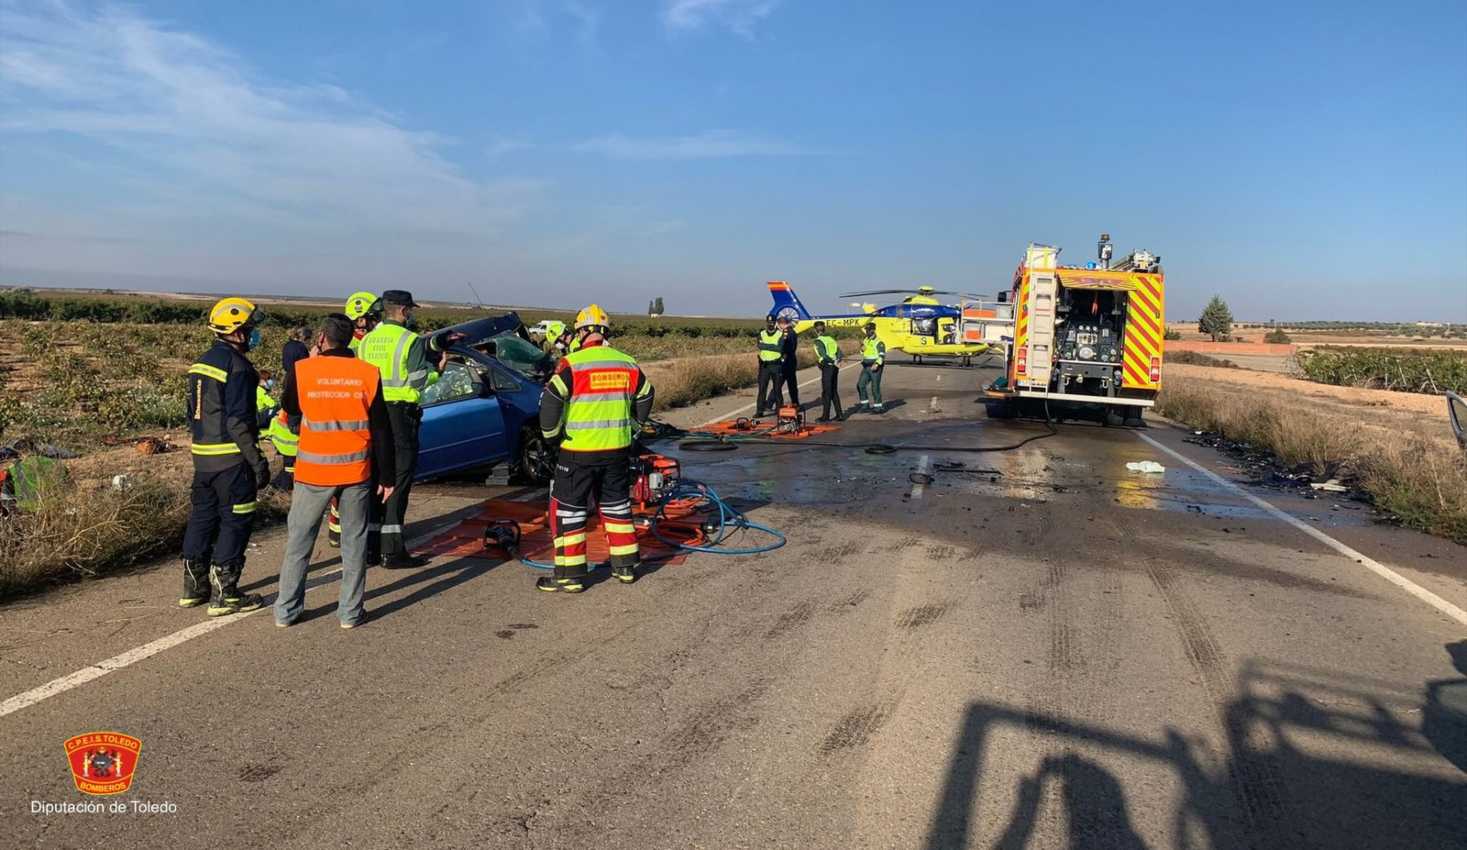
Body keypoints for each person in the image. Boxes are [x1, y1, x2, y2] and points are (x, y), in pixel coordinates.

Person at [274, 314, 397, 629]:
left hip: (313, 472)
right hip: (355, 473)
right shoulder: (367, 373)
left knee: (300, 541)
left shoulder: (302, 370)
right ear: (351, 339)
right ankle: (350, 613)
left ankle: (286, 611)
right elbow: (381, 429)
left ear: (321, 339)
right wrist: (387, 477)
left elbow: (291, 407)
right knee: (353, 544)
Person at [537, 304, 654, 593]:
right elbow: (647, 394)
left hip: (578, 452)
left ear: (582, 332)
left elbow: (551, 401)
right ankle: (626, 568)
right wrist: (634, 428)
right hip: (617, 449)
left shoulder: (573, 364)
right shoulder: (626, 363)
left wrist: (552, 437)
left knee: (570, 512)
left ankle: (570, 576)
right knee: (616, 507)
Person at [178, 297, 269, 615]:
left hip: (202, 459)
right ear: (238, 332)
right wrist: (257, 460)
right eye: (251, 328)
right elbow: (238, 422)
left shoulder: (200, 363)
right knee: (235, 522)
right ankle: (226, 594)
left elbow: (192, 414)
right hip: (232, 460)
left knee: (202, 519)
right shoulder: (240, 367)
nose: (254, 334)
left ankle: (193, 588)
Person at [357, 290, 461, 568]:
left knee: (376, 478)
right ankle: (392, 552)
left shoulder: (367, 341)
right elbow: (417, 382)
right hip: (400, 415)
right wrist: (437, 370)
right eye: (410, 311)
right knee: (399, 481)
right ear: (403, 311)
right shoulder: (410, 340)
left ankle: (369, 548)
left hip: (371, 414)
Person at [812, 321, 844, 422]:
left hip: (827, 367)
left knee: (826, 392)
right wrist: (837, 360)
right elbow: (839, 352)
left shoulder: (818, 341)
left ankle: (825, 417)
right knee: (834, 391)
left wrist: (832, 361)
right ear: (824, 329)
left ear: (815, 330)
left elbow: (823, 355)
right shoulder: (831, 339)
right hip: (835, 368)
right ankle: (840, 414)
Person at [755, 316, 785, 418]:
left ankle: (779, 411)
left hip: (776, 365)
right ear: (766, 323)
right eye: (769, 322)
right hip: (764, 366)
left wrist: (766, 345)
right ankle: (759, 411)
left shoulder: (780, 334)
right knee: (762, 389)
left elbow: (779, 348)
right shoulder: (761, 333)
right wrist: (773, 346)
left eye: (772, 322)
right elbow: (759, 346)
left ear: (775, 323)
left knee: (777, 389)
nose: (770, 324)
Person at [855, 322, 887, 413]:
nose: (867, 331)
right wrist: (862, 349)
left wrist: (877, 364)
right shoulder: (866, 340)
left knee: (875, 387)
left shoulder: (879, 342)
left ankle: (878, 407)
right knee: (860, 385)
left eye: (868, 330)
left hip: (875, 366)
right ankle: (865, 405)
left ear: (873, 330)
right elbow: (864, 351)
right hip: (866, 366)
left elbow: (881, 355)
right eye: (866, 330)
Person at [778, 317, 801, 408]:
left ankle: (770, 402)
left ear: (781, 324)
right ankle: (795, 403)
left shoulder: (786, 333)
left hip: (786, 360)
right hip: (792, 360)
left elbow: (784, 347)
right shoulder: (793, 332)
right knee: (792, 384)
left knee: (778, 382)